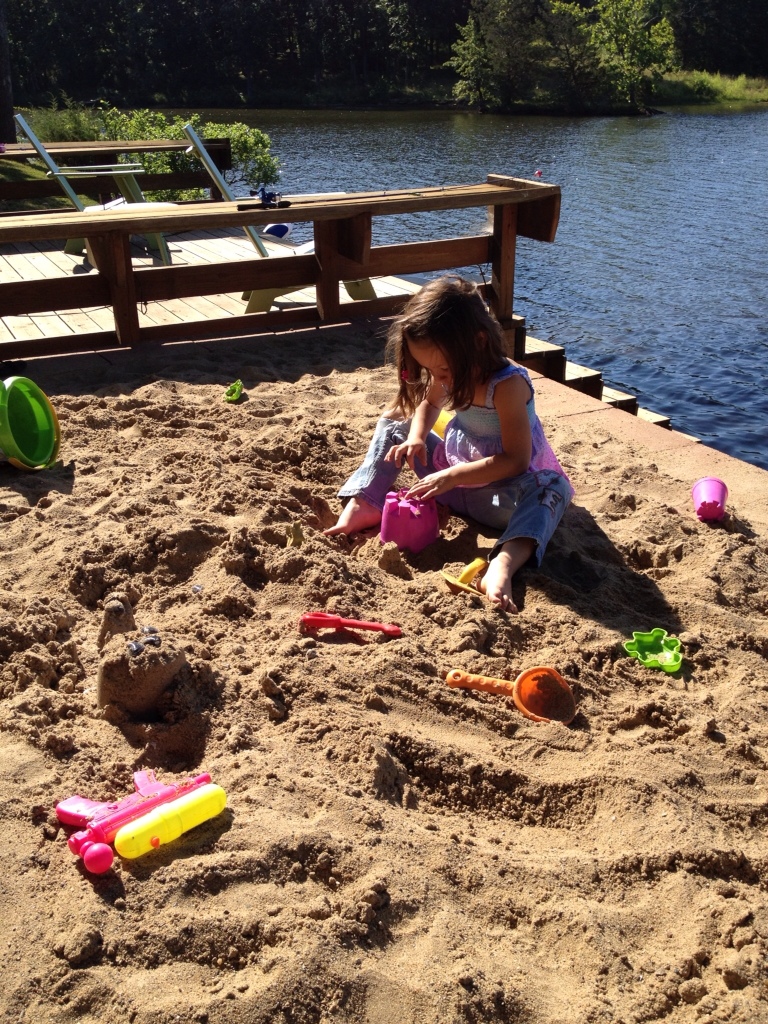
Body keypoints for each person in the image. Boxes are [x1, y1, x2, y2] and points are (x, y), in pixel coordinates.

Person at [324, 275, 573, 611]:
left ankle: (502, 562)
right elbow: (428, 404)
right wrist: (415, 438)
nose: (438, 379)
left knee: (552, 488)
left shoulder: (507, 386)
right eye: (430, 370)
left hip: (498, 498)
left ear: (479, 342)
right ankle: (366, 502)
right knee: (395, 420)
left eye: (441, 370)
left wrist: (451, 477)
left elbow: (515, 459)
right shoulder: (450, 370)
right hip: (446, 484)